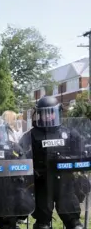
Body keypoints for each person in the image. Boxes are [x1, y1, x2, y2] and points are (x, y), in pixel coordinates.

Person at [21, 96, 90, 229]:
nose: (48, 116)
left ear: (57, 112)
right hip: (42, 183)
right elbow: (21, 156)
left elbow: (82, 153)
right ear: (39, 114)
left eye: (51, 112)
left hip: (66, 183)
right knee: (43, 224)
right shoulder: (31, 135)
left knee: (75, 223)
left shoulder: (69, 133)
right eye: (44, 113)